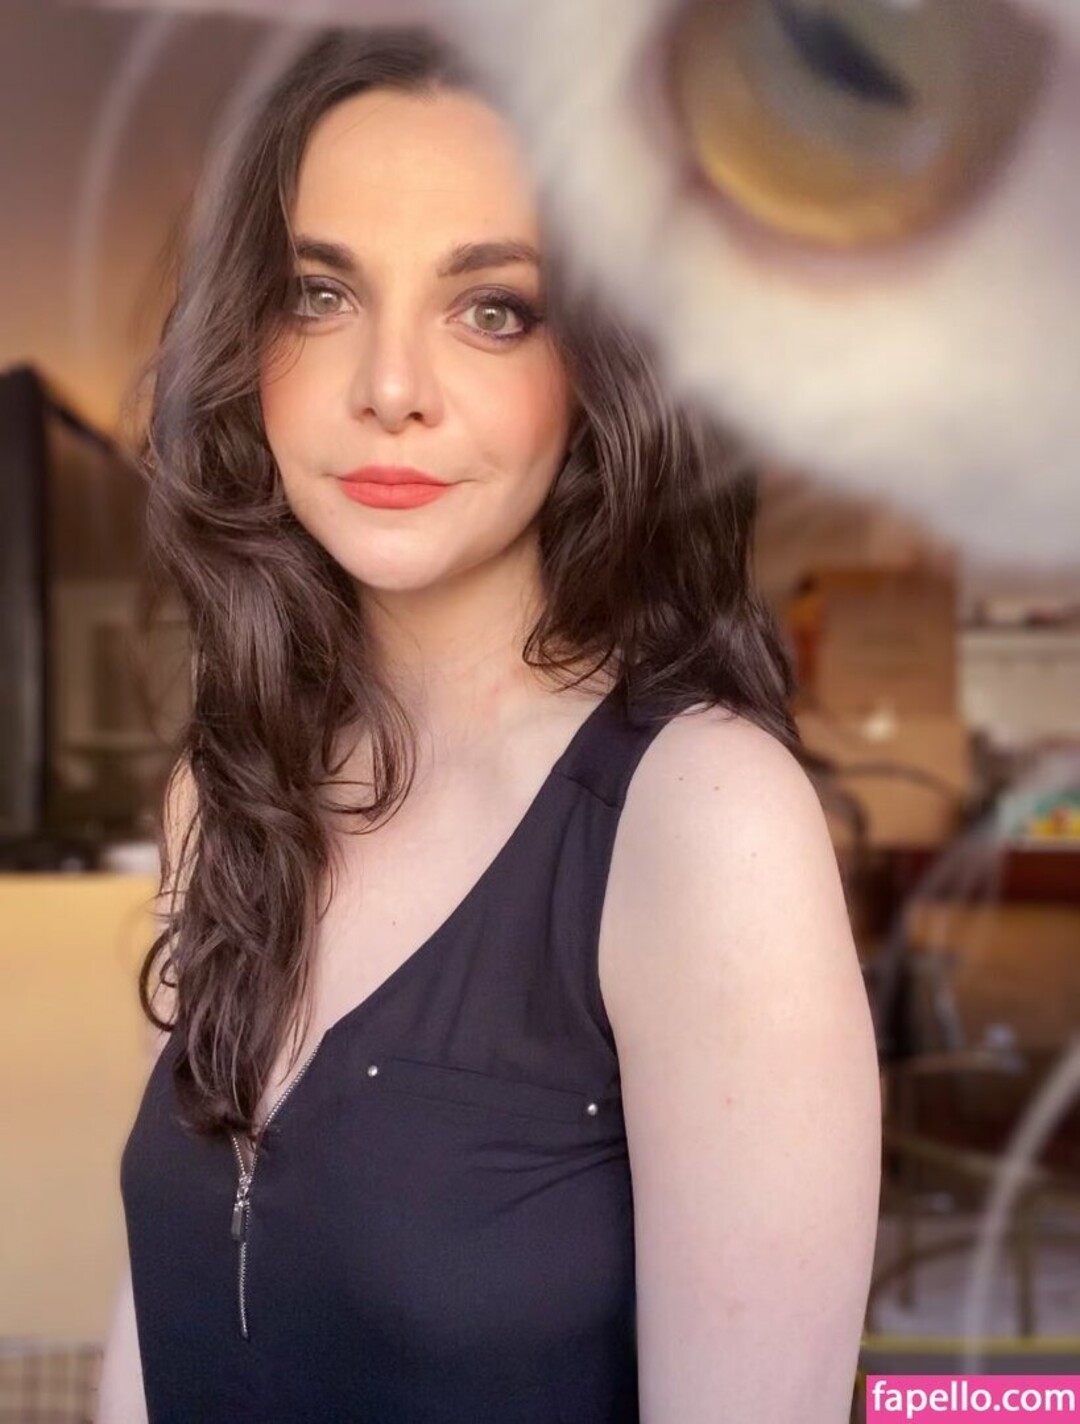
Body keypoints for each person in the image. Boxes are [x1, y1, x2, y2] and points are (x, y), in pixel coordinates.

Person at [97, 25, 881, 1424]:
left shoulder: (703, 823)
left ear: (602, 365)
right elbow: (154, 1330)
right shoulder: (224, 793)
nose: (390, 384)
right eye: (320, 294)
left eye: (494, 309)